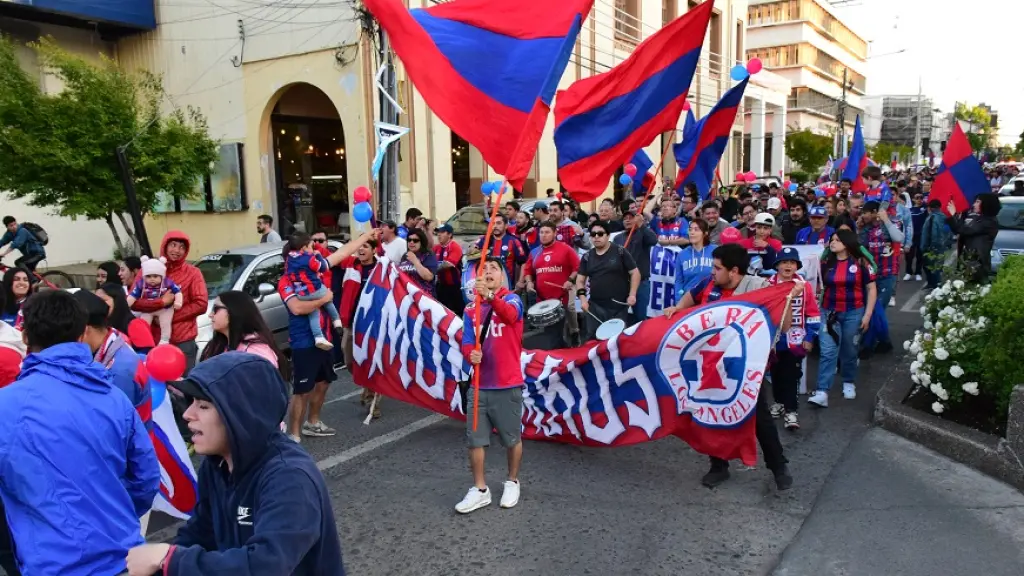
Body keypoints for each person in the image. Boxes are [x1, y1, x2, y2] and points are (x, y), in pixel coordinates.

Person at [126, 353, 344, 575]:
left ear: (240, 413)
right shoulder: (217, 464)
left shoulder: (289, 477)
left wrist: (171, 560)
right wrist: (159, 563)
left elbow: (266, 565)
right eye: (191, 402)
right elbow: (201, 532)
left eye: (203, 406)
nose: (188, 414)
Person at [0, 290, 159, 576]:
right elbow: (146, 477)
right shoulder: (114, 397)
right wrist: (111, 514)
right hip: (124, 557)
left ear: (25, 337)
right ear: (81, 335)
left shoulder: (6, 406)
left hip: (53, 563)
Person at [669, 243, 795, 491]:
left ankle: (778, 466)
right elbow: (684, 305)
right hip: (709, 365)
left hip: (744, 368)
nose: (712, 272)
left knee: (759, 418)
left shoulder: (759, 288)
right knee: (711, 415)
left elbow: (786, 326)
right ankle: (718, 466)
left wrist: (788, 299)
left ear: (734, 271)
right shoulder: (707, 284)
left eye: (717, 268)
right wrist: (674, 311)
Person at [281, 230, 377, 443]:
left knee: (324, 382)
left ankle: (313, 423)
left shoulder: (314, 275)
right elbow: (297, 308)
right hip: (303, 341)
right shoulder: (287, 282)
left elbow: (341, 253)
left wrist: (365, 236)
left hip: (324, 337)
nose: (312, 252)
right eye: (309, 248)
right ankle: (294, 434)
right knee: (302, 389)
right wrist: (324, 298)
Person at [456, 258, 526, 514]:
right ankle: (480, 489)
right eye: (482, 270)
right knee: (475, 439)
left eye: (493, 269)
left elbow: (509, 317)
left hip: (507, 382)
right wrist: (469, 354)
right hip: (478, 384)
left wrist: (491, 297)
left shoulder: (512, 300)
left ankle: (512, 480)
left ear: (502, 277)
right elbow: (465, 341)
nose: (487, 272)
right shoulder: (469, 309)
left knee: (511, 438)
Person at [809, 229, 877, 408]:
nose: (832, 243)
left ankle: (848, 381)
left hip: (854, 312)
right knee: (828, 351)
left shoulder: (862, 262)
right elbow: (816, 286)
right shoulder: (824, 263)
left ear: (847, 243)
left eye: (837, 240)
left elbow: (871, 289)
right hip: (828, 313)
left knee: (849, 349)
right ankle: (822, 391)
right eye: (832, 240)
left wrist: (868, 315)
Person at [130, 231, 208, 374]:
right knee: (155, 383)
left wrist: (170, 318)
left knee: (182, 386)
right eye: (173, 245)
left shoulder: (193, 272)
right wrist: (160, 303)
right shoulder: (147, 269)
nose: (177, 250)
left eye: (182, 247)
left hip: (182, 340)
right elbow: (132, 302)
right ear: (165, 246)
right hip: (151, 339)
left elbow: (201, 303)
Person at [766, 248, 820, 431]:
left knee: (792, 374)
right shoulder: (768, 284)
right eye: (784, 262)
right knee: (775, 374)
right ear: (777, 265)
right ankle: (779, 402)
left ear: (797, 265)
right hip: (774, 340)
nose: (788, 266)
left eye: (792, 262)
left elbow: (813, 313)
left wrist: (810, 336)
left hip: (796, 339)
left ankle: (791, 410)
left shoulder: (804, 286)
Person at [336, 238, 381, 413]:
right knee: (349, 359)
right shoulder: (350, 264)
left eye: (365, 246)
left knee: (371, 361)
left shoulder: (381, 269)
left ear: (374, 250)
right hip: (352, 321)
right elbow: (333, 255)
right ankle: (366, 384)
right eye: (359, 246)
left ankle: (373, 399)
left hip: (373, 323)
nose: (361, 249)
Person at [576, 221, 640, 342]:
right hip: (595, 306)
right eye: (593, 234)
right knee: (592, 341)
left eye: (600, 234)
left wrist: (632, 294)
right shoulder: (587, 257)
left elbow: (635, 273)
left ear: (608, 235)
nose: (596, 237)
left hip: (618, 307)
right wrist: (583, 300)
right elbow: (580, 280)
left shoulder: (620, 252)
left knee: (616, 341)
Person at [521, 221, 581, 346]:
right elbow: (527, 270)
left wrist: (570, 280)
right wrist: (529, 282)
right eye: (541, 232)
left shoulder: (565, 249)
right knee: (551, 333)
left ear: (555, 233)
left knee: (555, 332)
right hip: (542, 299)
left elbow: (578, 267)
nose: (543, 235)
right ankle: (562, 352)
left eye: (547, 232)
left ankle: (574, 334)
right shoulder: (535, 252)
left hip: (561, 296)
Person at [201, 290, 287, 375]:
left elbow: (266, 385)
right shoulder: (217, 345)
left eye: (216, 309)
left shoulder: (256, 352)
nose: (210, 315)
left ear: (234, 310)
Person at [856, 200, 904, 355]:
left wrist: (886, 220)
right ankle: (884, 341)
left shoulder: (891, 222)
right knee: (875, 310)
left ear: (875, 212)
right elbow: (860, 249)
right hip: (871, 274)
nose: (863, 215)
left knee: (877, 310)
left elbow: (899, 238)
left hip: (888, 273)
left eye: (866, 212)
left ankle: (868, 346)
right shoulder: (866, 229)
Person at [284, 232, 343, 351]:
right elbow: (322, 266)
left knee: (314, 313)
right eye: (312, 246)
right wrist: (318, 256)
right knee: (328, 298)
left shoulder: (291, 259)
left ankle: (319, 337)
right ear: (304, 247)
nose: (314, 248)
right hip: (303, 343)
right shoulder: (308, 258)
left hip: (301, 293)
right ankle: (336, 321)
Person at [613, 207, 658, 323]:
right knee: (619, 317)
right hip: (622, 283)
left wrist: (642, 226)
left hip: (641, 283)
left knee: (640, 318)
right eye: (625, 218)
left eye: (631, 218)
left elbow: (654, 240)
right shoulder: (618, 238)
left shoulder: (642, 233)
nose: (627, 220)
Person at [128, 256, 184, 345]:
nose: (152, 279)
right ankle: (143, 340)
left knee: (165, 323)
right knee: (143, 323)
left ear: (161, 276)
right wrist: (127, 303)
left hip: (165, 309)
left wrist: (178, 302)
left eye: (155, 276)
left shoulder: (167, 282)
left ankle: (165, 340)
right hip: (148, 309)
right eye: (148, 276)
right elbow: (133, 295)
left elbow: (178, 292)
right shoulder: (141, 283)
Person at [945, 194, 1001, 283]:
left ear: (986, 204)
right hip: (969, 261)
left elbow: (964, 230)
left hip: (977, 264)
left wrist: (954, 215)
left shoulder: (989, 221)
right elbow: (961, 230)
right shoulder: (978, 218)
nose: (974, 204)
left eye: (977, 202)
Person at [668, 219, 716, 308]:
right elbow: (679, 281)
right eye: (690, 229)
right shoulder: (682, 255)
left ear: (705, 233)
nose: (692, 232)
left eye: (696, 229)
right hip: (688, 302)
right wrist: (679, 302)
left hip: (710, 300)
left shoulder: (715, 251)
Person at [472, 214, 526, 284]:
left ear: (506, 226)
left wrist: (520, 282)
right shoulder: (484, 240)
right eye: (493, 223)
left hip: (506, 284)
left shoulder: (513, 241)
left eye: (498, 223)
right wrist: (474, 250)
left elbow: (523, 263)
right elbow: (471, 252)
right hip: (486, 283)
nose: (495, 226)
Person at [920, 199, 953, 289]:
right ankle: (934, 284)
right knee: (937, 266)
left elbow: (931, 233)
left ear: (931, 208)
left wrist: (925, 246)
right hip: (942, 246)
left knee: (930, 266)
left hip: (931, 246)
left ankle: (934, 285)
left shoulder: (932, 218)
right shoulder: (945, 217)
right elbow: (949, 232)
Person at [433, 223, 465, 315]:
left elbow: (447, 264)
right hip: (441, 286)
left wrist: (431, 269)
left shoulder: (455, 247)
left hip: (455, 286)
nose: (439, 234)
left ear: (450, 235)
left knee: (458, 312)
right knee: (442, 312)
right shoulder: (436, 248)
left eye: (442, 232)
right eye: (438, 232)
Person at [398, 227, 438, 296]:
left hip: (424, 297)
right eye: (409, 240)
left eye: (415, 240)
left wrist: (415, 261)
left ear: (421, 242)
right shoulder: (405, 256)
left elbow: (429, 277)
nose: (411, 242)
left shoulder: (428, 255)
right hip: (408, 297)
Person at [906, 193, 928, 281]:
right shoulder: (909, 210)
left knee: (919, 254)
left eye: (921, 198)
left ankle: (918, 272)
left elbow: (928, 207)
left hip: (921, 235)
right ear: (913, 199)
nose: (919, 199)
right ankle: (908, 272)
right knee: (909, 255)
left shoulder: (924, 209)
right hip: (911, 235)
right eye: (917, 198)